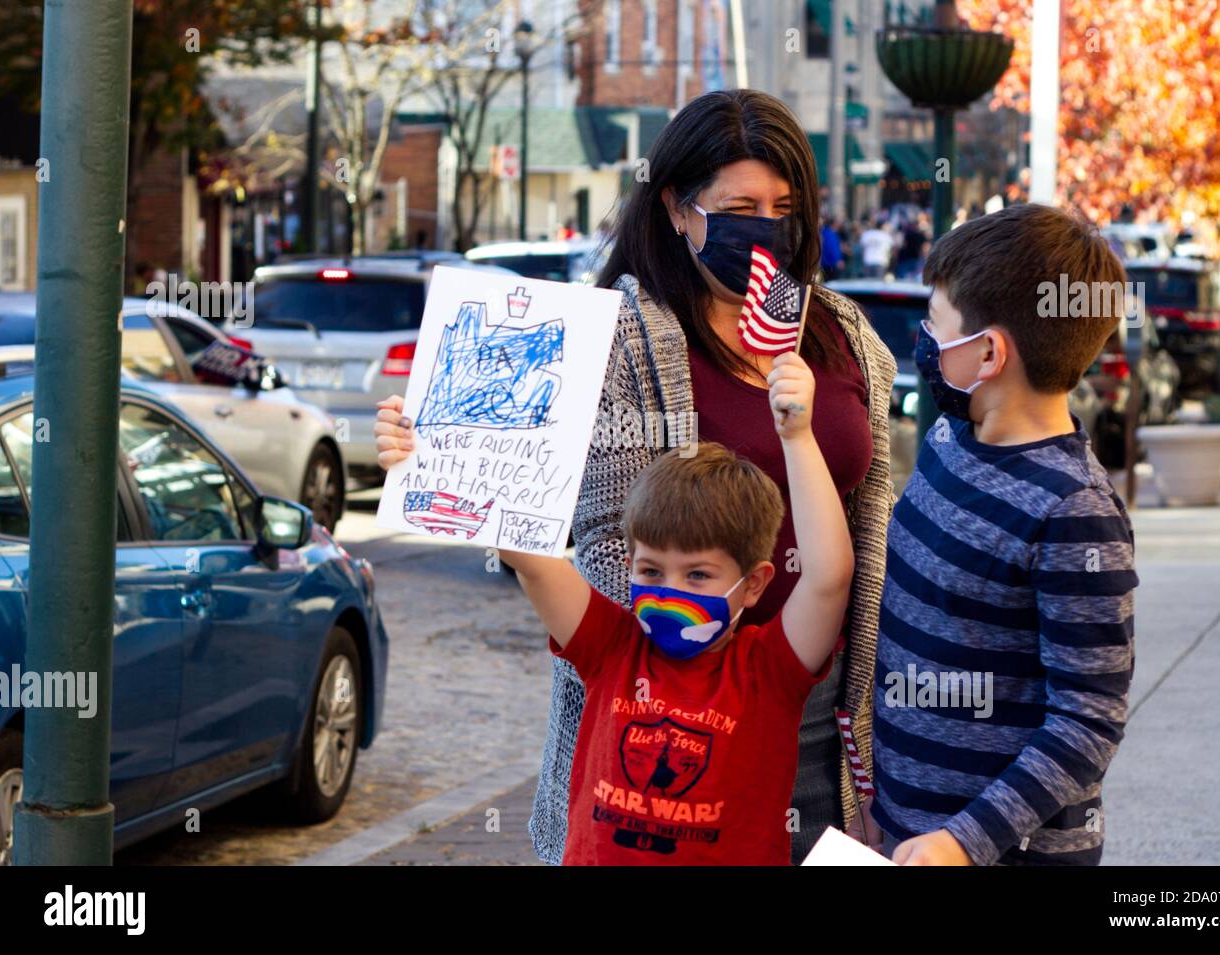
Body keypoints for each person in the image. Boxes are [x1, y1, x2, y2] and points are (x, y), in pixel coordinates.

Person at [374, 88, 896, 865]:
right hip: (657, 705)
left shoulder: (842, 330)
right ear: (681, 211)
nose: (765, 226)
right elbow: (578, 540)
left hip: (814, 701)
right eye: (740, 204)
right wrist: (438, 455)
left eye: (784, 206)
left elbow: (859, 536)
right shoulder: (619, 337)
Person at [491, 356, 853, 864]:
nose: (668, 593)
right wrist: (425, 450)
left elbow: (829, 576)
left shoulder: (768, 670)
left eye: (698, 575)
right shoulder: (610, 647)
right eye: (651, 571)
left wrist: (797, 437)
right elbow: (525, 554)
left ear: (754, 585)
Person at [871, 203, 1138, 865]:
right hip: (908, 830)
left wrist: (964, 840)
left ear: (988, 352)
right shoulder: (946, 438)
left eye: (936, 325)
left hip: (1009, 853)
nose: (925, 340)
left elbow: (1088, 716)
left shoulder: (1075, 510)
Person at [820, 215, 843, 280]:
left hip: (829, 264)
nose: (840, 224)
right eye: (838, 222)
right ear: (834, 223)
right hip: (830, 266)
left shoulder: (831, 233)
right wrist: (837, 261)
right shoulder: (829, 234)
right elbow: (831, 249)